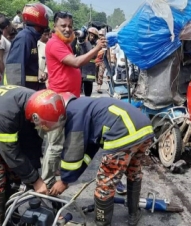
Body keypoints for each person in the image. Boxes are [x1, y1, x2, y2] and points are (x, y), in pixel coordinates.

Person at [0, 86, 66, 225]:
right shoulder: (5, 115)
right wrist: (36, 181)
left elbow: (31, 144)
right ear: (35, 117)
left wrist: (34, 177)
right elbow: (11, 153)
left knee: (16, 175)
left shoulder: (36, 102)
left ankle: (11, 217)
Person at [50, 93, 154, 226]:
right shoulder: (84, 105)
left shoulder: (72, 113)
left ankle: (102, 223)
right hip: (144, 129)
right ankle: (134, 213)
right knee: (133, 169)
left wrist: (64, 180)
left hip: (123, 134)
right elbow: (90, 149)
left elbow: (73, 151)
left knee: (105, 183)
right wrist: (70, 172)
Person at [41, 11, 106, 188]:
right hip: (59, 101)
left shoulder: (65, 43)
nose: (68, 29)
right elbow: (76, 63)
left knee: (62, 141)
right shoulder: (55, 44)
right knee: (55, 144)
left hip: (69, 100)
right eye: (63, 26)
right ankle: (45, 184)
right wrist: (96, 48)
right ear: (55, 27)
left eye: (70, 26)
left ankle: (55, 173)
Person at [4, 2, 53, 91]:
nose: (47, 20)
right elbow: (15, 70)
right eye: (46, 17)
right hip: (23, 92)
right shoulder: (24, 38)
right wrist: (17, 96)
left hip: (30, 89)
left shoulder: (31, 37)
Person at [75, 27, 100, 96]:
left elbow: (94, 55)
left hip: (89, 71)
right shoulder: (82, 42)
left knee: (88, 93)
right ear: (88, 34)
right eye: (91, 35)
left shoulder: (95, 46)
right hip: (80, 69)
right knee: (77, 91)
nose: (92, 37)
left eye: (93, 36)